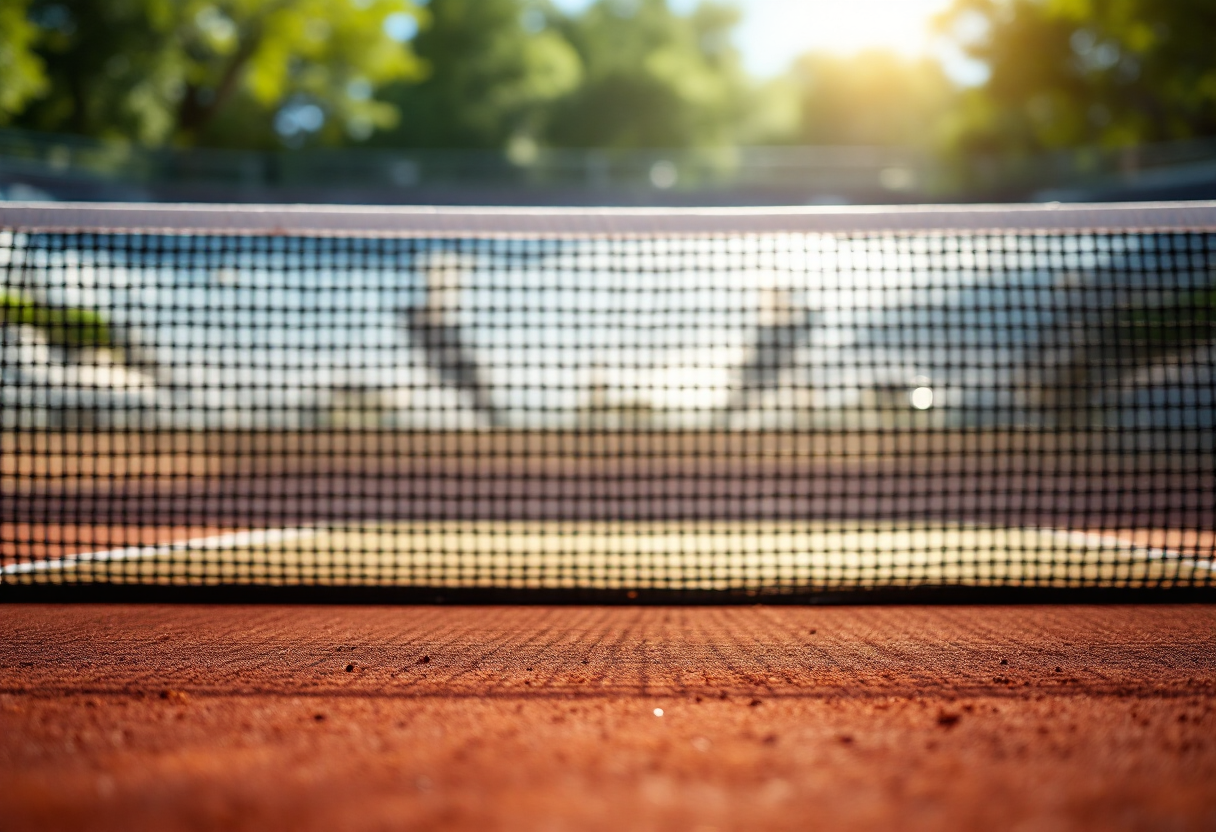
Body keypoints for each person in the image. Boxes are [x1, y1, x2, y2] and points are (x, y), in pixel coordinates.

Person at [399, 251, 502, 426]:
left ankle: (494, 421)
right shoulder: (421, 318)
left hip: (453, 364)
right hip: (444, 364)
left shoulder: (439, 322)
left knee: (479, 386)